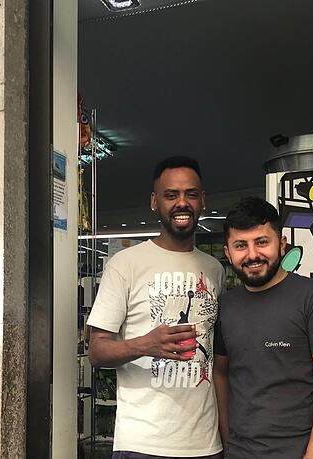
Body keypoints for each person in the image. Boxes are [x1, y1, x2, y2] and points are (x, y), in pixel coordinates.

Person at [87, 156, 225, 459]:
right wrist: (146, 344)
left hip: (206, 445)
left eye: (190, 194)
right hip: (142, 444)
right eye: (171, 195)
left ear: (202, 200)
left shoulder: (214, 269)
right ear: (154, 202)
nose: (182, 203)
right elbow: (96, 351)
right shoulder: (125, 264)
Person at [213, 197, 313, 459]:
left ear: (282, 244)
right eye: (241, 245)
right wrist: (229, 441)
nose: (252, 254)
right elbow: (221, 373)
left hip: (301, 452)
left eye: (262, 242)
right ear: (228, 253)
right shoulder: (226, 306)